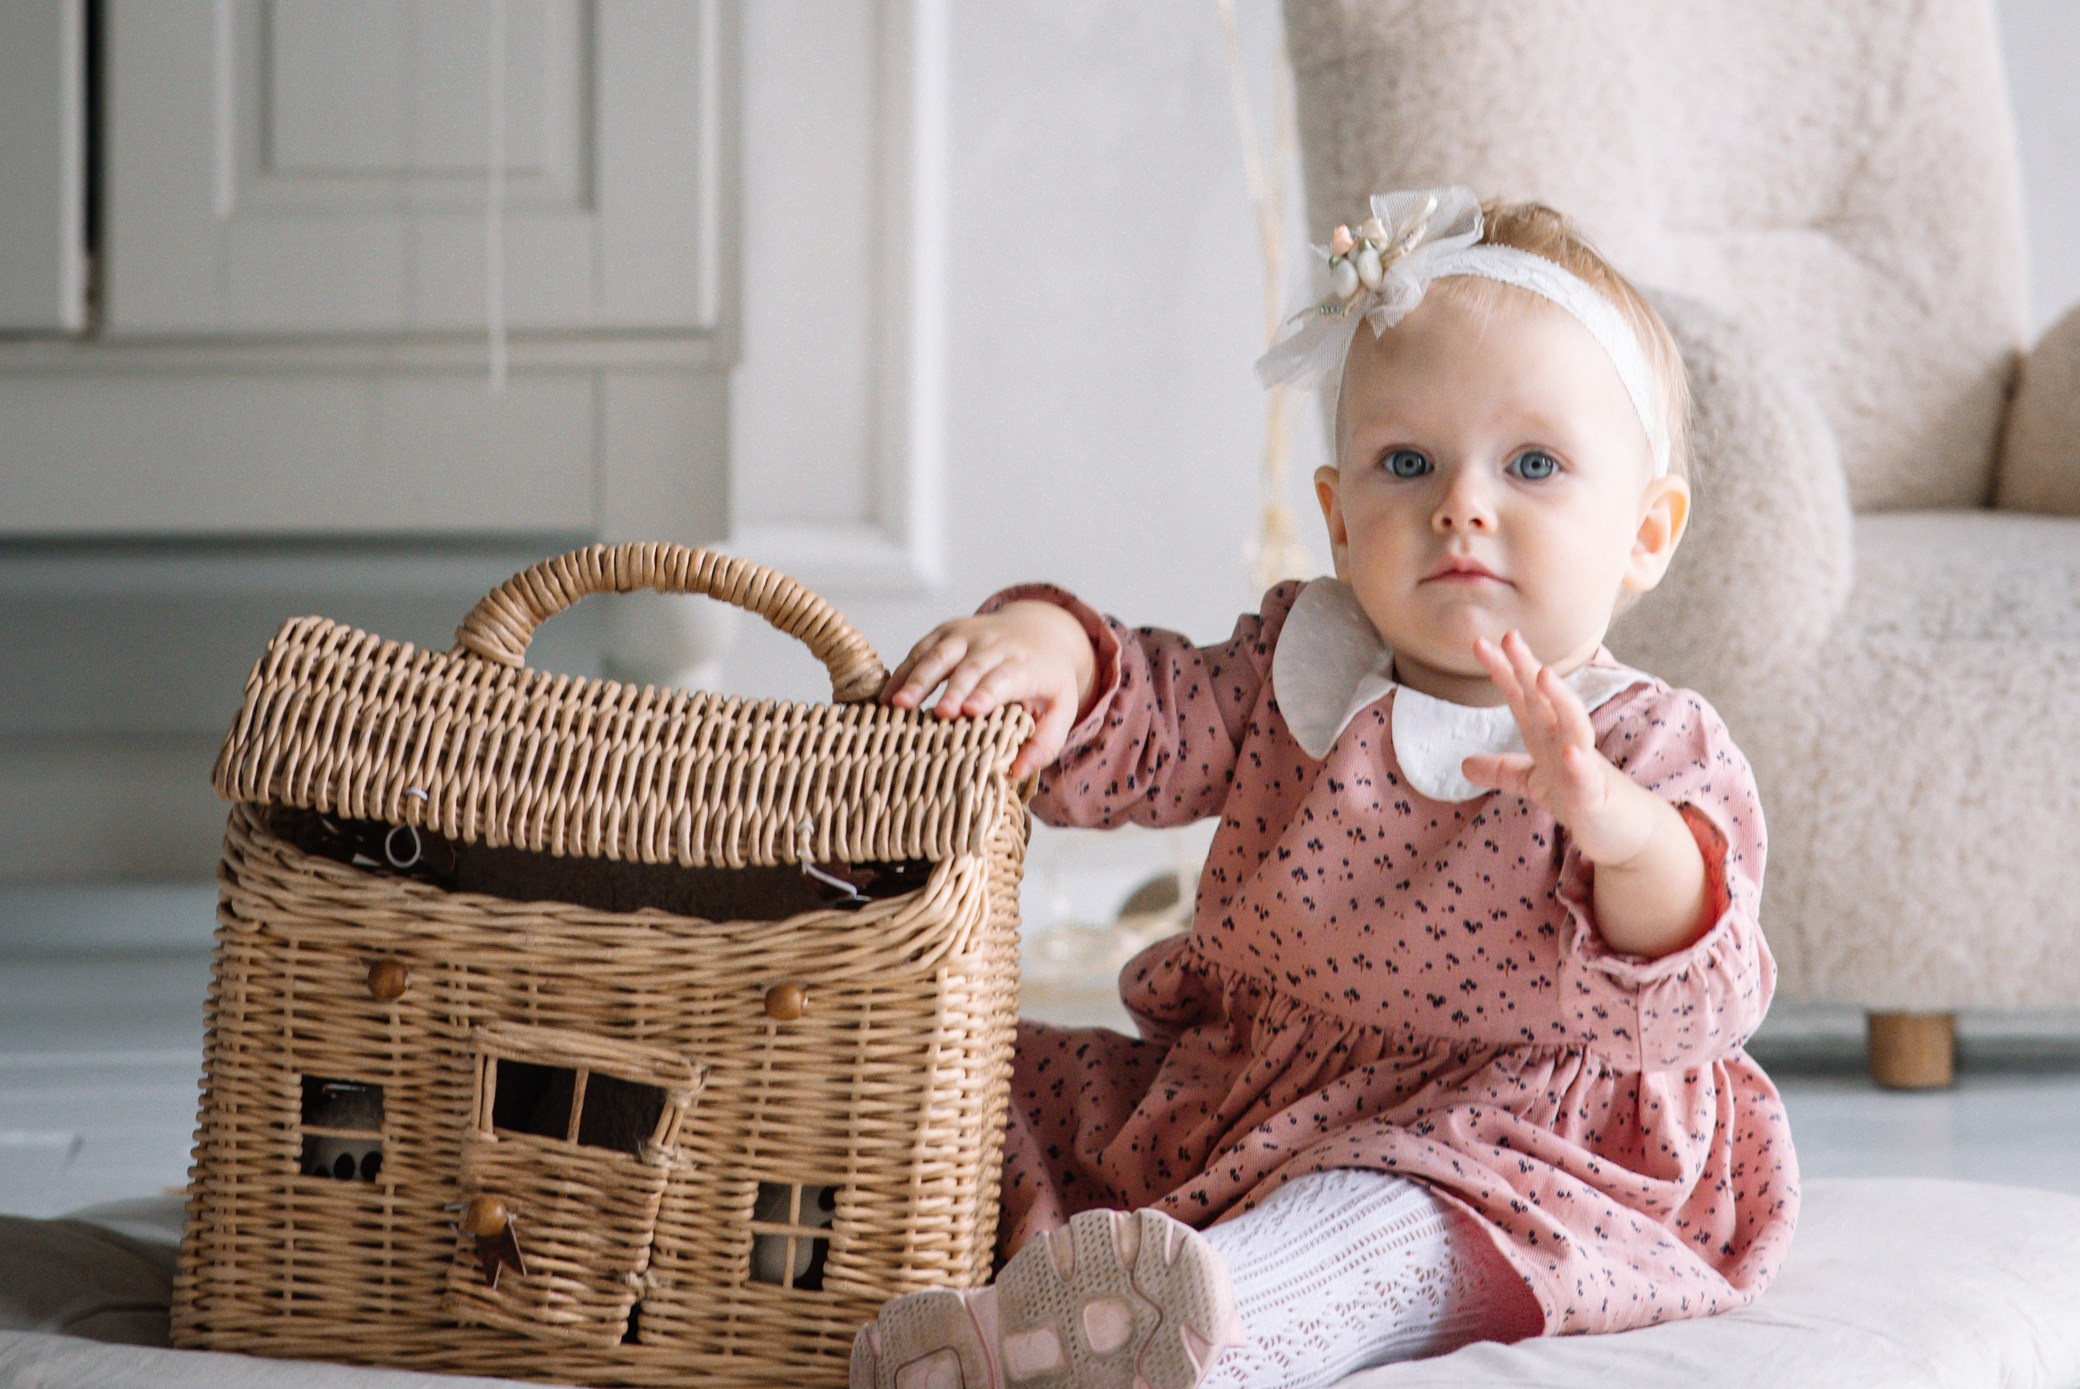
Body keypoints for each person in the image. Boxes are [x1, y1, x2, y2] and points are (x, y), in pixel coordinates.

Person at [849, 187, 1798, 1389]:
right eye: (1407, 463)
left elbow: (1697, 998)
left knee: (1394, 1228)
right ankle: (970, 1301)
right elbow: (1153, 720)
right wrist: (1057, 652)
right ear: (1340, 522)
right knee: (985, 1074)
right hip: (1252, 1094)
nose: (1460, 503)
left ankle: (1205, 1329)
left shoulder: (1642, 740)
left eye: (1533, 465)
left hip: (1511, 1141)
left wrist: (1619, 833)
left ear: (1646, 534)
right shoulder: (1299, 667)